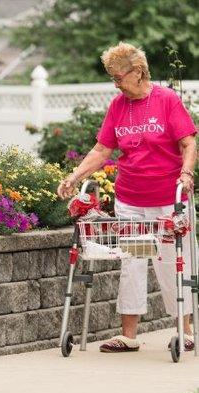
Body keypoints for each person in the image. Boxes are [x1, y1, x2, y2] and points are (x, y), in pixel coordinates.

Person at [57, 42, 197, 352]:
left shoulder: (166, 100)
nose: (116, 83)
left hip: (166, 200)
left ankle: (186, 331)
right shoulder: (119, 106)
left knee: (171, 261)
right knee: (132, 262)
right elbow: (102, 150)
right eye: (112, 78)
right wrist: (75, 176)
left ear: (137, 71)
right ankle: (128, 336)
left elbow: (188, 143)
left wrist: (186, 174)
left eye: (119, 76)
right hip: (131, 199)